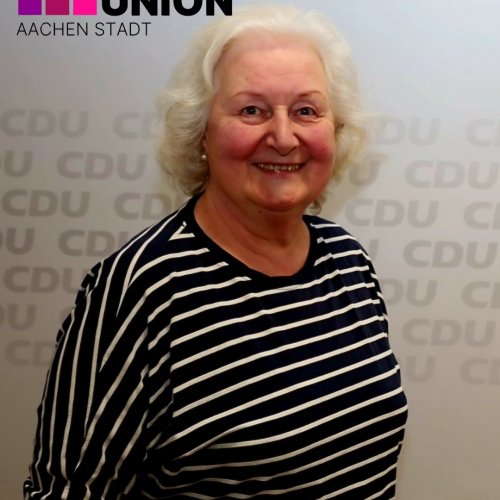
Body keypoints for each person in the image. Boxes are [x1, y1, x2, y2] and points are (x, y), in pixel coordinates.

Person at [25, 4, 407, 499]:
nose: (283, 137)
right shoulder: (141, 288)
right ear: (201, 131)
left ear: (335, 130)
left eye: (306, 111)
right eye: (252, 110)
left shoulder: (347, 258)